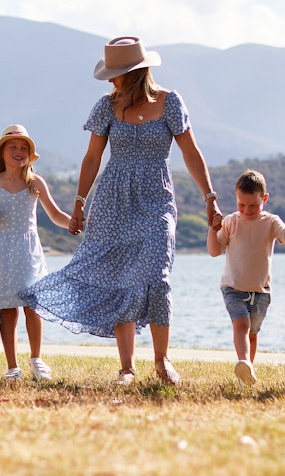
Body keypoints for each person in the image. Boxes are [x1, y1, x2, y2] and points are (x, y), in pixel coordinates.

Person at [21, 37, 222, 386]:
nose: (111, 81)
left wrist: (210, 197)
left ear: (135, 73)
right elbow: (92, 158)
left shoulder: (170, 103)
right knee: (118, 280)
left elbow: (191, 153)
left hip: (156, 199)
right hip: (113, 200)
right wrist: (80, 202)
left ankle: (162, 361)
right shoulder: (106, 106)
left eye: (116, 74)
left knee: (158, 277)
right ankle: (127, 367)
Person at [0, 125, 72, 381]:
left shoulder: (35, 182)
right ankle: (12, 366)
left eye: (23, 148)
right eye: (13, 147)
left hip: (30, 251)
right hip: (3, 250)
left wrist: (76, 223)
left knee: (32, 306)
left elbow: (56, 215)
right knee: (7, 309)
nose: (18, 151)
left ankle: (36, 359)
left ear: (30, 154)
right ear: (2, 153)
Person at [207, 170, 285, 386]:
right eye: (241, 204)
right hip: (233, 287)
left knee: (253, 333)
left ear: (264, 199)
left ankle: (246, 372)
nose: (246, 210)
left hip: (261, 291)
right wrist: (213, 230)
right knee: (241, 324)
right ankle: (243, 361)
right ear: (236, 198)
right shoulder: (231, 222)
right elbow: (214, 251)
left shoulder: (271, 222)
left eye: (253, 205)